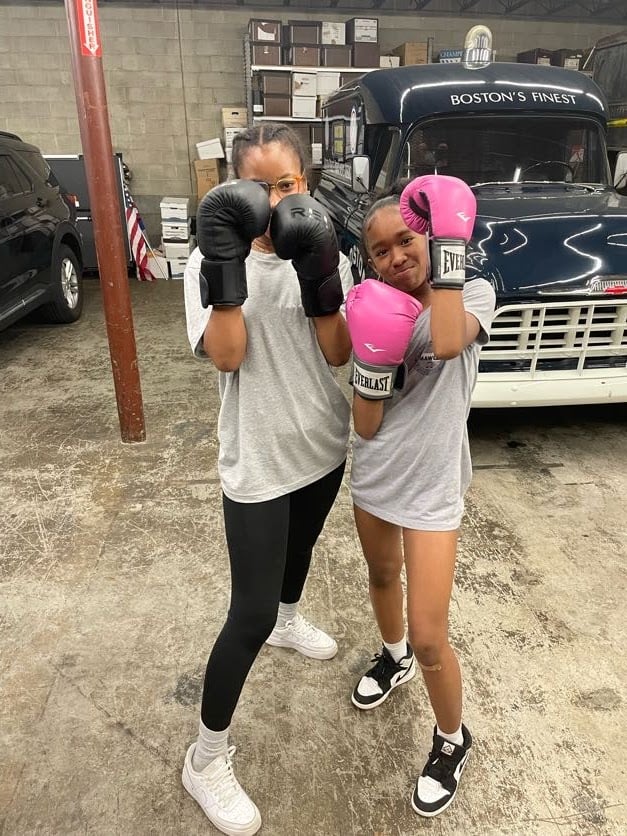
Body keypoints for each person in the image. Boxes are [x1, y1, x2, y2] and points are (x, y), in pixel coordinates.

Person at [181, 123, 353, 836]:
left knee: (300, 553)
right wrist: (228, 269)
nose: (274, 198)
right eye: (259, 186)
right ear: (234, 191)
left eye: (286, 183)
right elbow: (226, 357)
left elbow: (338, 352)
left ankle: (290, 619)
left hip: (321, 443)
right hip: (256, 456)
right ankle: (205, 758)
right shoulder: (207, 257)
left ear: (303, 183)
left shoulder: (324, 245)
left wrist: (320, 276)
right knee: (246, 613)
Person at [345, 175, 496, 818]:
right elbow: (365, 425)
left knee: (432, 635)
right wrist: (370, 356)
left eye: (406, 240)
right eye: (380, 251)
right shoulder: (368, 307)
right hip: (376, 474)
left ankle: (452, 739)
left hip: (433, 487)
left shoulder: (475, 293)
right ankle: (392, 656)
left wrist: (451, 248)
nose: (396, 256)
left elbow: (446, 341)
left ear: (431, 237)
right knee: (382, 577)